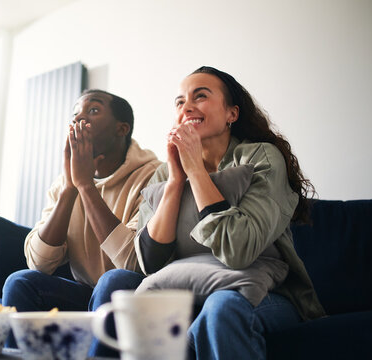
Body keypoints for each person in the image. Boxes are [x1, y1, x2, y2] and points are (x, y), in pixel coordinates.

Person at [90, 67, 326, 359]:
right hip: (180, 293)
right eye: (179, 102)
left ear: (232, 114)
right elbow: (149, 263)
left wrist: (195, 170)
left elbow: (238, 250)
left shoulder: (261, 157)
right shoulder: (164, 172)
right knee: (114, 283)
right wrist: (177, 181)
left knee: (220, 307)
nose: (187, 107)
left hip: (265, 294)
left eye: (200, 97)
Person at [1, 89, 161, 344]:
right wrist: (70, 188)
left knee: (114, 281)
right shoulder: (64, 182)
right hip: (85, 292)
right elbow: (40, 264)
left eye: (93, 110)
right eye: (75, 113)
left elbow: (132, 264)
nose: (78, 119)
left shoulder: (154, 176)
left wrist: (86, 186)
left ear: (122, 129)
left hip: (134, 291)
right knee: (20, 282)